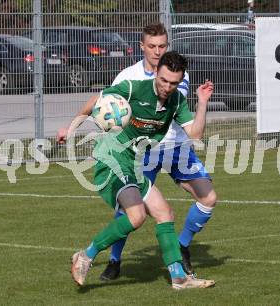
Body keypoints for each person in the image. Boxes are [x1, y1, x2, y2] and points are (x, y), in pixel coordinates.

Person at [57, 51, 215, 290]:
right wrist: (71, 128)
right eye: (163, 80)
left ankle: (179, 277)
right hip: (111, 159)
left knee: (164, 213)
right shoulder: (133, 88)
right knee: (137, 216)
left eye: (173, 83)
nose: (167, 87)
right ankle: (86, 256)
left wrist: (202, 103)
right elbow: (96, 100)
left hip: (133, 164)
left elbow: (195, 134)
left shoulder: (176, 102)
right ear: (156, 73)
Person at [95, 23, 218, 281]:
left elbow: (188, 122)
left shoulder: (177, 73)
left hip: (176, 147)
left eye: (162, 45)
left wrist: (202, 104)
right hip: (144, 150)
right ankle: (114, 260)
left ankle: (182, 246)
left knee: (208, 197)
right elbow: (108, 109)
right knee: (131, 207)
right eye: (152, 46)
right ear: (142, 46)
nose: (157, 50)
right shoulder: (129, 77)